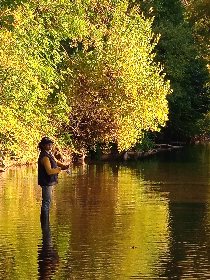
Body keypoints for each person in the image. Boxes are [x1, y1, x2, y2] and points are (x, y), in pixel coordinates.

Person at [38, 136, 69, 218]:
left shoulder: (49, 154)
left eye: (50, 144)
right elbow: (49, 171)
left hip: (49, 182)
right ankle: (45, 221)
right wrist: (59, 169)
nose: (50, 146)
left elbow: (55, 161)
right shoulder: (44, 157)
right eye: (48, 145)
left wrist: (64, 166)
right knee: (46, 202)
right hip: (46, 182)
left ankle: (45, 222)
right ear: (43, 146)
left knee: (47, 201)